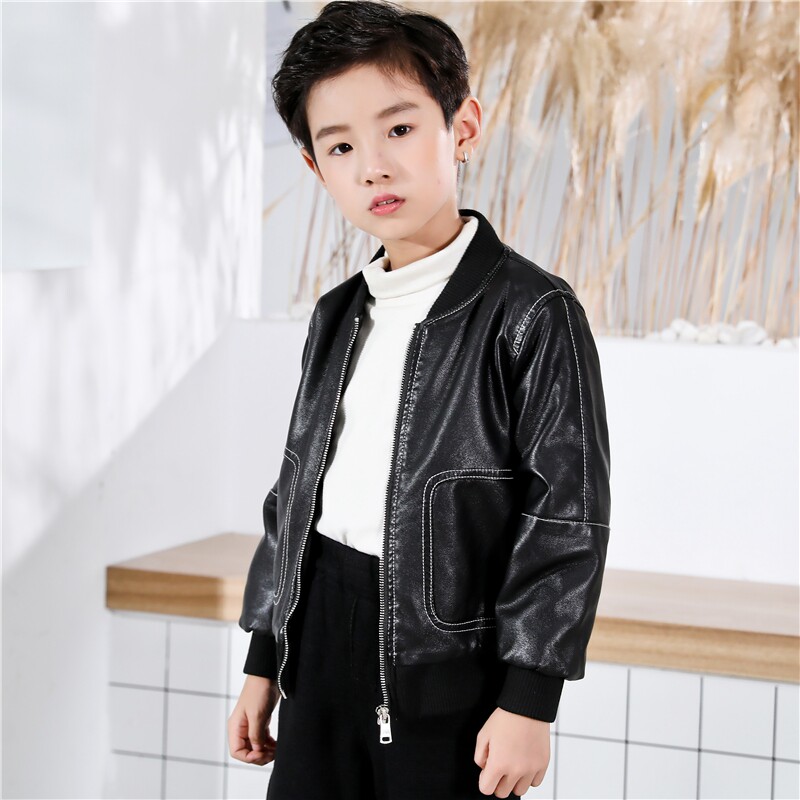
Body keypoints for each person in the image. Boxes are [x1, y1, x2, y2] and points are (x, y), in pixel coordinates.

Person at [227, 2, 611, 798]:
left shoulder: (532, 313)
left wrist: (530, 698)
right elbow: (295, 492)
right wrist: (264, 658)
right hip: (317, 645)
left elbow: (565, 518)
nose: (373, 166)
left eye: (399, 129)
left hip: (447, 671)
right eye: (341, 146)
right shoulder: (339, 312)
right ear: (316, 169)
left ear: (462, 127)